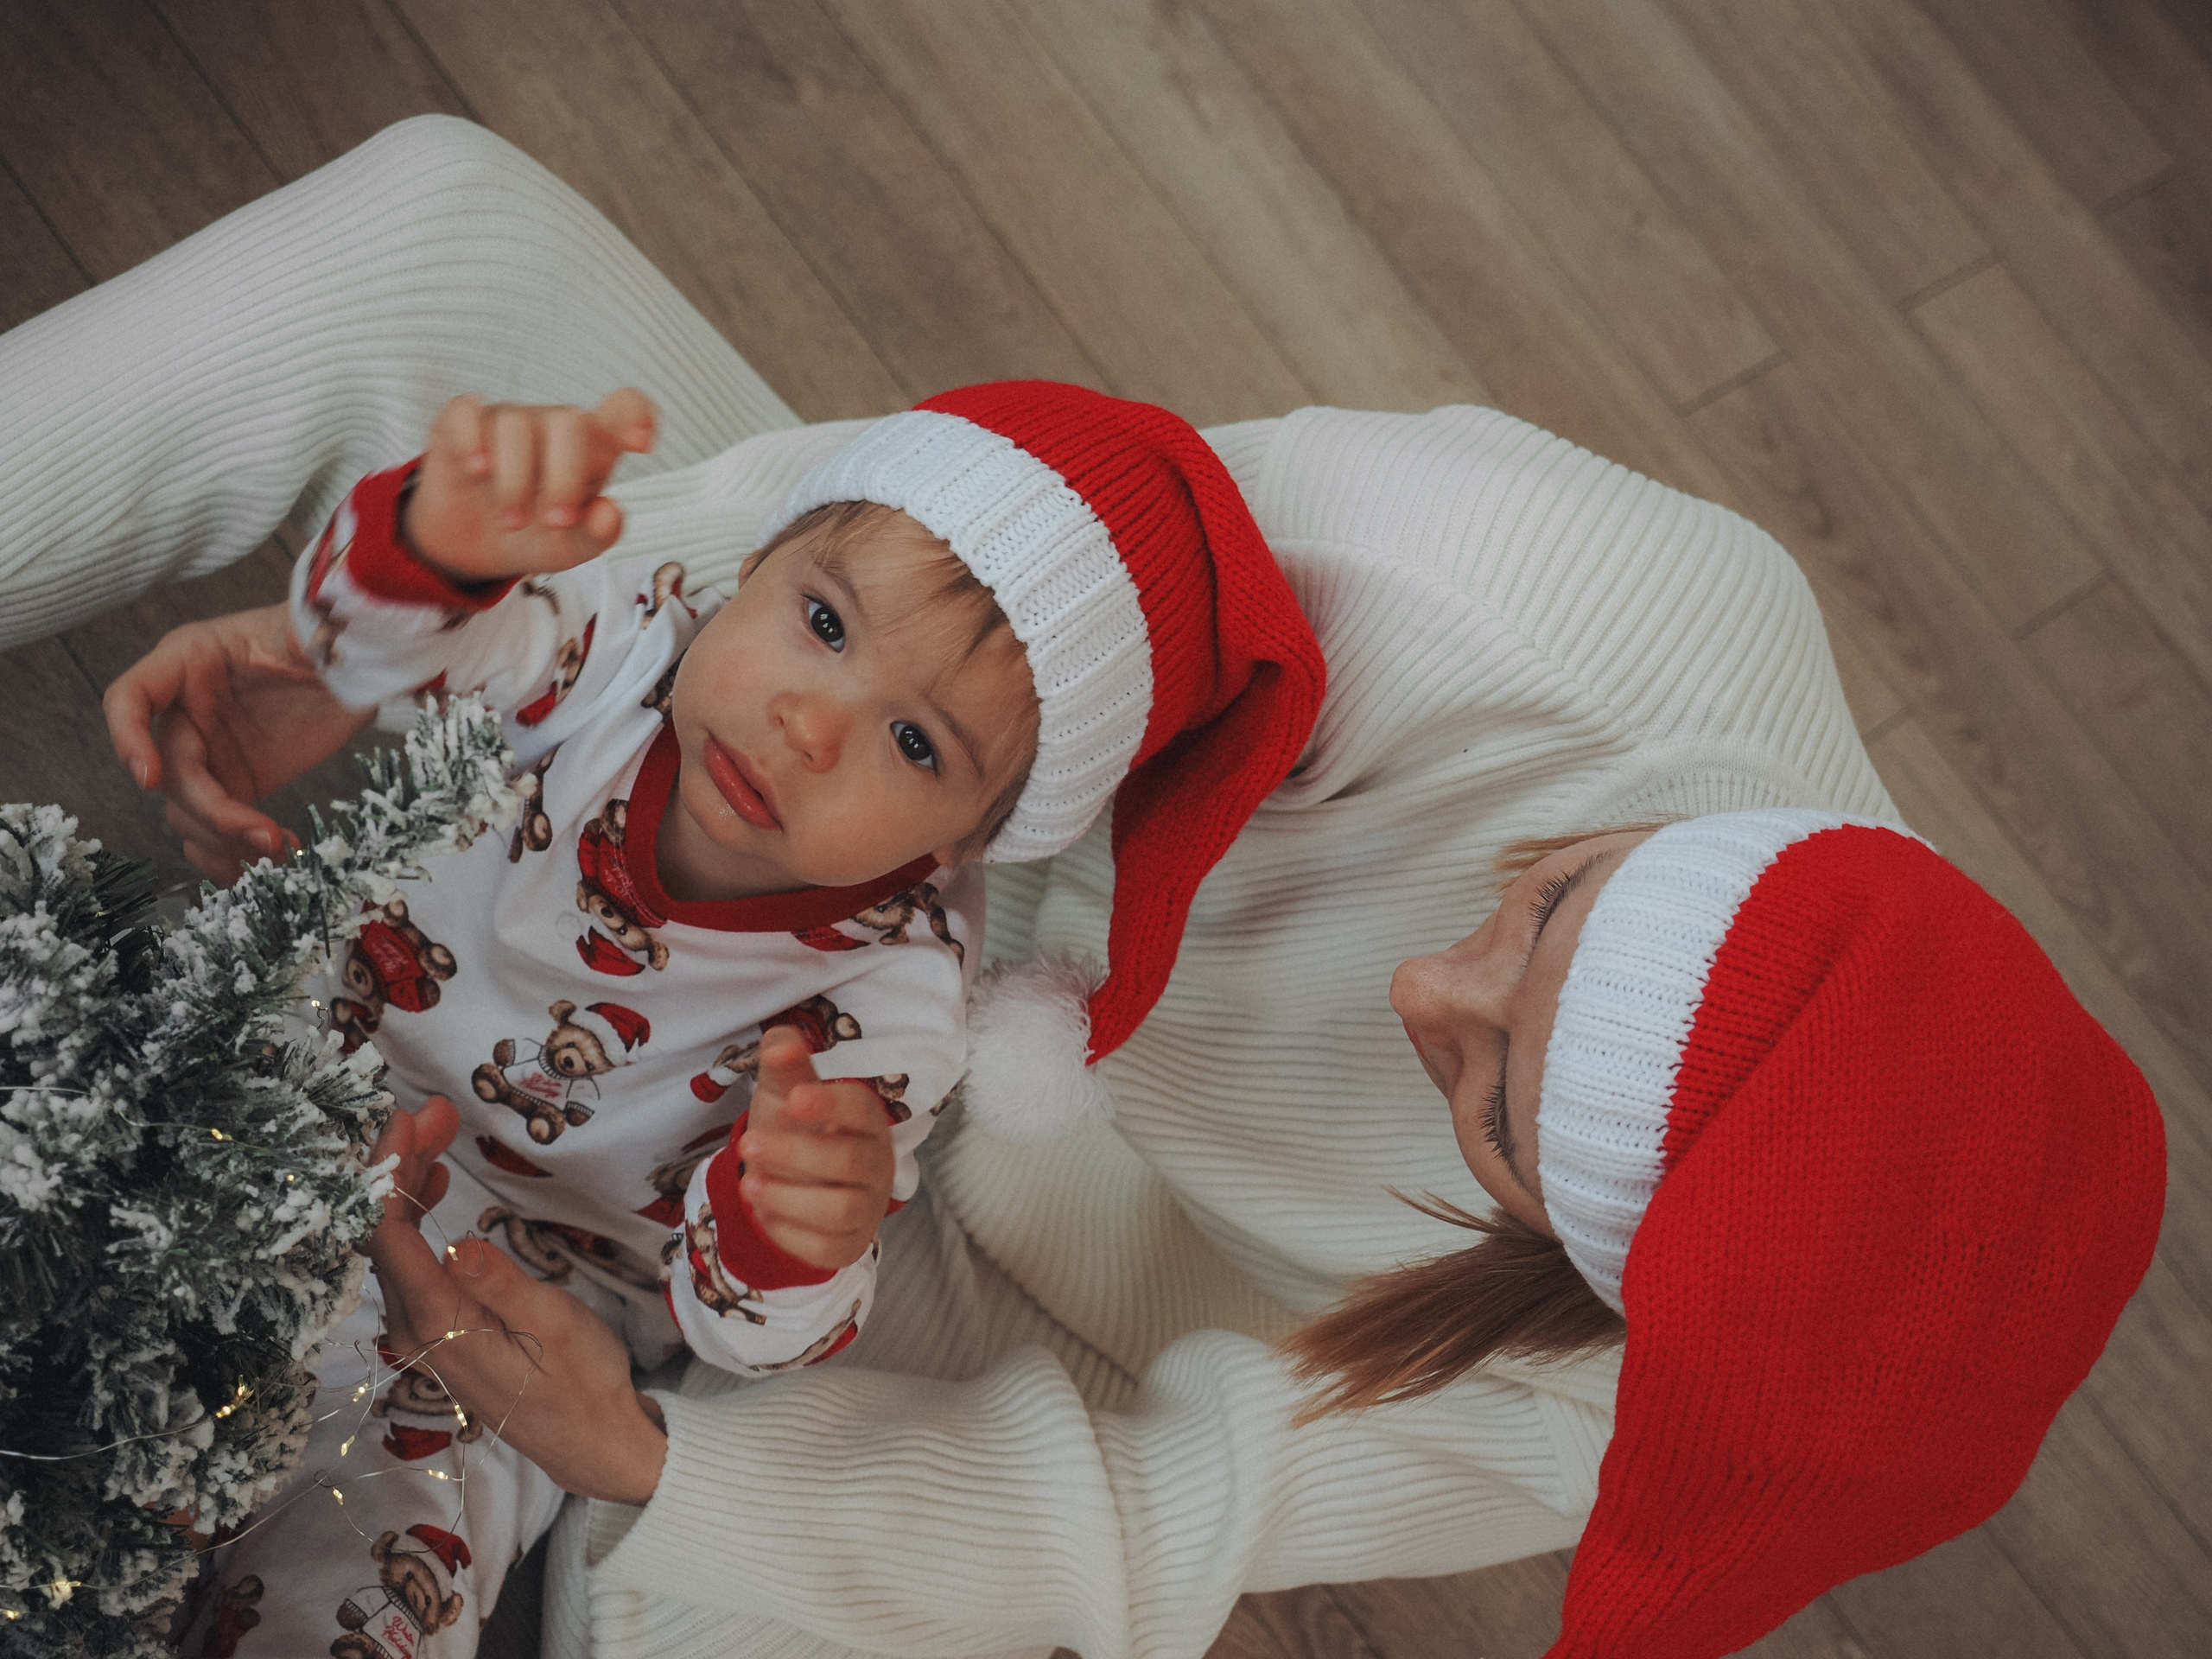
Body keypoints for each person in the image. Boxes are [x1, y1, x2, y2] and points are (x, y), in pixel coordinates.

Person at [5, 116, 2162, 1659]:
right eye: (1537, 905)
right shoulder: (1530, 592)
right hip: (903, 818)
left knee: (666, 1565)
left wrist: (672, 1465)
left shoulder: (1650, 1388)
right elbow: (952, 555)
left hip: (926, 1283)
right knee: (443, 234)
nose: (1424, 990)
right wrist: (395, 646)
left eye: (1493, 1111)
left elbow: (1146, 1509)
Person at [165, 357, 1326, 1652]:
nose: (810, 726)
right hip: (265, 1098)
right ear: (757, 567)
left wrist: (791, 1238)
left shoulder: (887, 1005)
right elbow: (366, 650)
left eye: (917, 744)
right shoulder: (610, 655)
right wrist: (433, 542)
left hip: (498, 1317)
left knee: (357, 1596)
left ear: (969, 840)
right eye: (824, 625)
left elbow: (737, 1332)